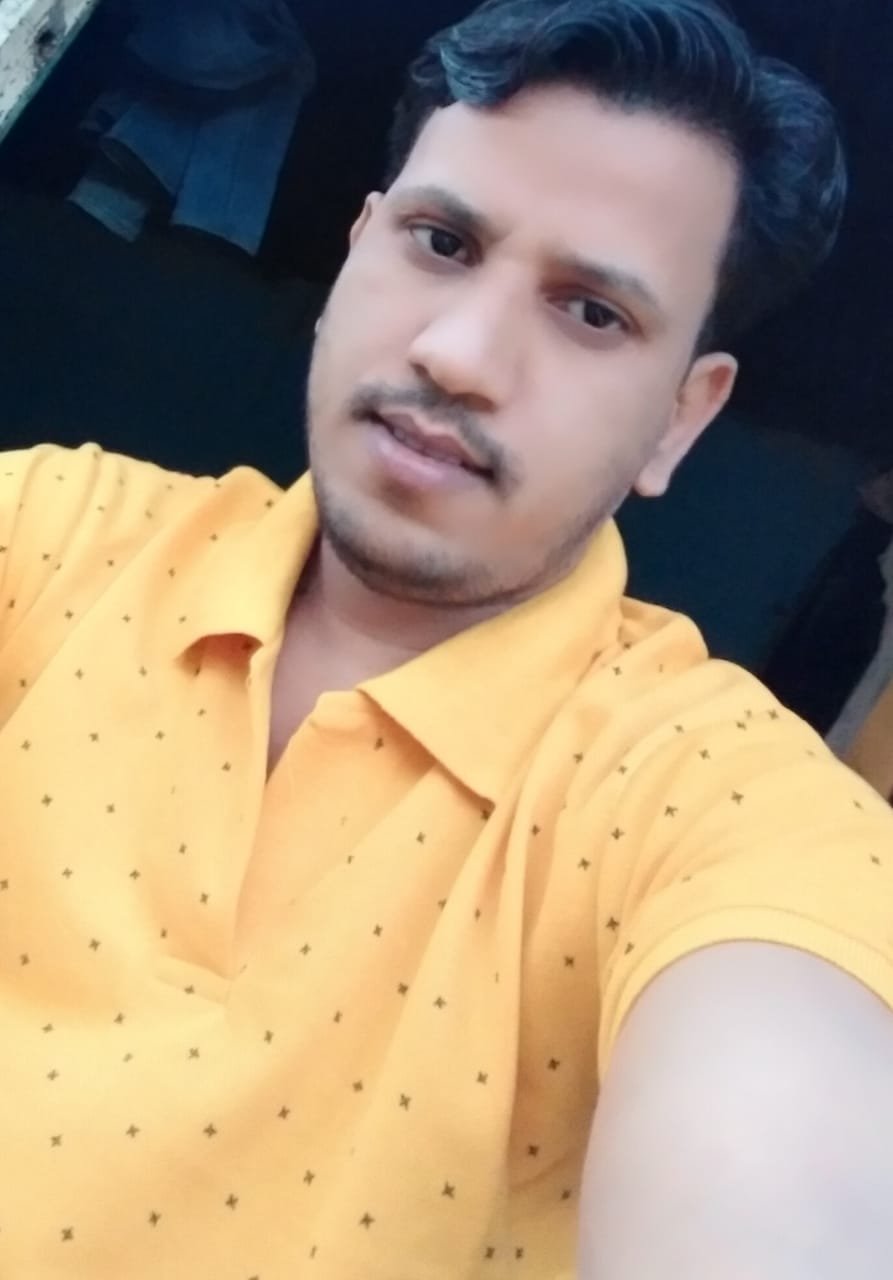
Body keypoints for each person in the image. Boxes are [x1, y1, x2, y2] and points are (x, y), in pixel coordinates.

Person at [1, 0, 891, 1276]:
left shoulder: (709, 798)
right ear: (354, 252)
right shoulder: (48, 534)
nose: (459, 353)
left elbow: (779, 1158)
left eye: (592, 312)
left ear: (678, 422)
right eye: (440, 242)